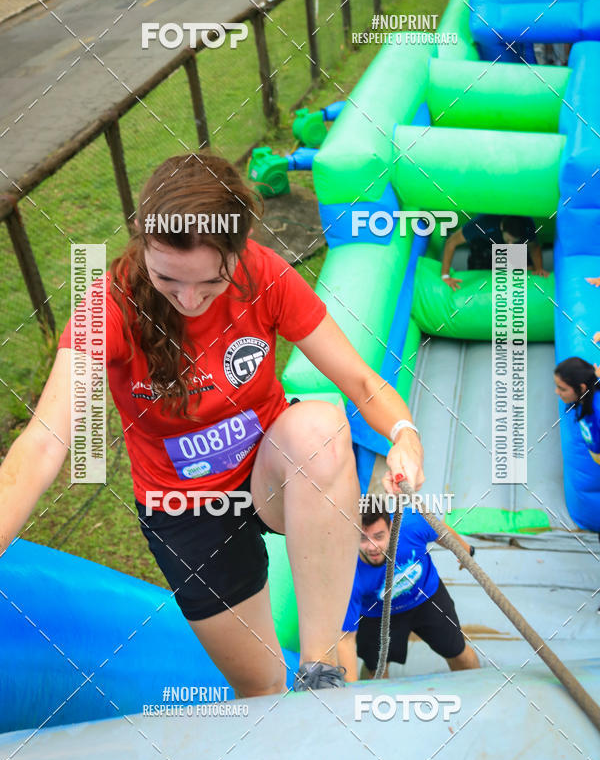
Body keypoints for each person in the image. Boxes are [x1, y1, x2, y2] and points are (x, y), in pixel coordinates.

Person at [0, 152, 425, 697]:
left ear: (237, 252)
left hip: (267, 472)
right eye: (168, 279)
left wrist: (404, 434)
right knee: (262, 687)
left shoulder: (265, 274)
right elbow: (43, 443)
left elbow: (364, 384)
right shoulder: (106, 308)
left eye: (210, 282)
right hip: (186, 510)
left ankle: (322, 668)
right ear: (141, 242)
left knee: (319, 425)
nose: (190, 300)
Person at [337, 495, 479, 680]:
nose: (372, 547)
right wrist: (352, 699)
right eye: (363, 538)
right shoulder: (348, 571)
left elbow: (441, 531)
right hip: (375, 614)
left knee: (459, 654)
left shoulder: (412, 523)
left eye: (379, 536)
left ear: (392, 527)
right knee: (375, 672)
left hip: (426, 598)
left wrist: (465, 550)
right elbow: (345, 640)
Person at [441, 214, 548, 291]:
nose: (510, 244)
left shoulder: (527, 225)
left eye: (514, 241)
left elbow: (534, 246)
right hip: (484, 241)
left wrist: (539, 268)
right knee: (481, 272)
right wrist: (445, 276)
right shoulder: (483, 223)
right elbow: (451, 242)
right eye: (509, 240)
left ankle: (515, 248)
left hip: (514, 240)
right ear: (502, 227)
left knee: (526, 269)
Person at [554, 357, 600, 465]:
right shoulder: (586, 395)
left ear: (582, 388)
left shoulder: (597, 411)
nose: (557, 392)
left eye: (562, 389)